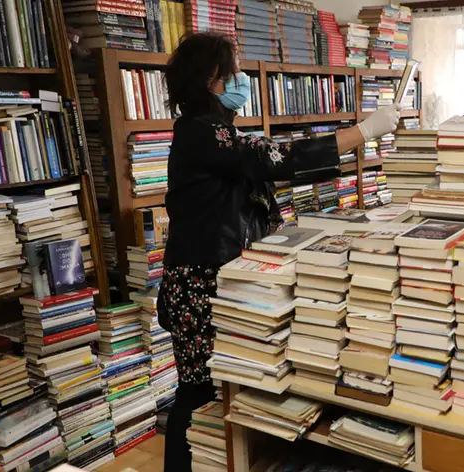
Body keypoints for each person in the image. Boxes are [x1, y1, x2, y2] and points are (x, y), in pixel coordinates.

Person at [158, 32, 401, 470]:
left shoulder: (218, 132)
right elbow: (279, 157)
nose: (241, 80)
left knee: (235, 384)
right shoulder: (202, 133)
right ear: (212, 79)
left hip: (226, 278)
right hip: (201, 286)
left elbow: (261, 174)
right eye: (233, 72)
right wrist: (363, 132)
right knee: (198, 392)